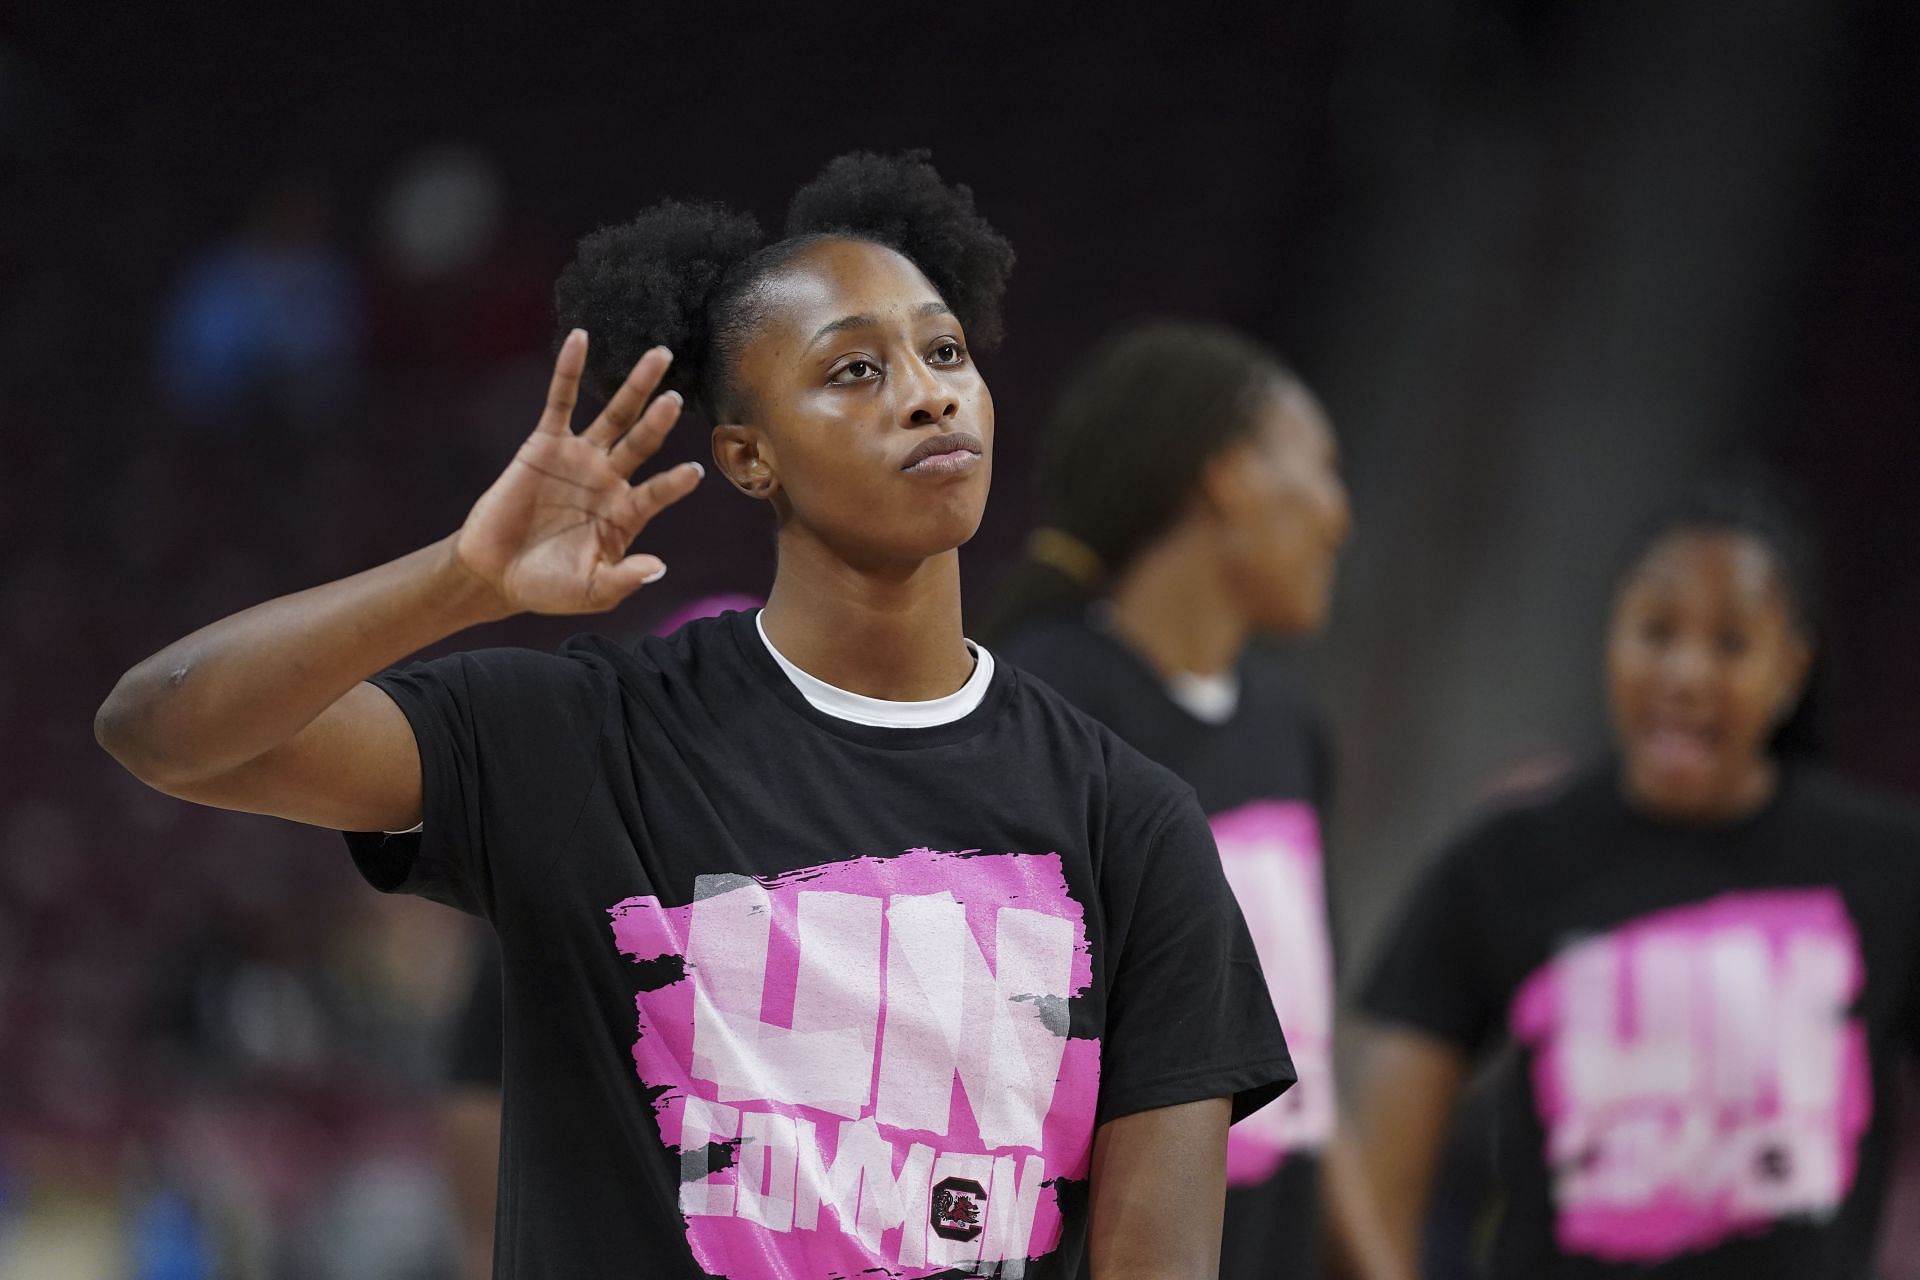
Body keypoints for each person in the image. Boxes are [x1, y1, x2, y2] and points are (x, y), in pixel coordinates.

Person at [96, 151, 1294, 1280]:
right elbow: (164, 724)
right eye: (855, 369)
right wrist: (460, 578)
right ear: (747, 455)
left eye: (944, 352)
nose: (929, 395)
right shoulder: (583, 742)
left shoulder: (1133, 825)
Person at [1354, 475, 1920, 1277]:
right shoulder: (1507, 860)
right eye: (1656, 631)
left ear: (1792, 666)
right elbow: (1381, 1189)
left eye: (1731, 642)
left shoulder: (1889, 867)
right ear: (1611, 637)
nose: (1686, 673)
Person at [981, 322, 1406, 1280]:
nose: (1338, 515)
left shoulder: (1291, 729)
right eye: (1321, 468)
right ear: (1229, 476)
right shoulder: (1040, 707)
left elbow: (1301, 1070)